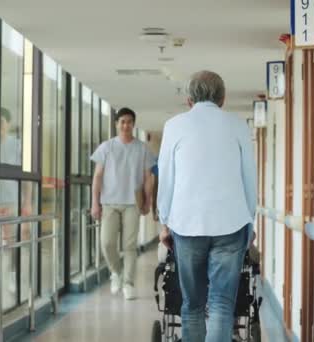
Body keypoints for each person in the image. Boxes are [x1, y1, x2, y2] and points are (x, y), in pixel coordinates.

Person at [157, 70, 257, 342]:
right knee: (223, 304)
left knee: (192, 306)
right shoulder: (237, 126)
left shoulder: (174, 126)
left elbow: (166, 177)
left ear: (189, 100)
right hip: (231, 224)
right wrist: (250, 220)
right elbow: (249, 176)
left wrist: (164, 221)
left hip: (186, 224)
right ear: (222, 99)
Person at [90, 107, 155, 300]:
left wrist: (148, 201)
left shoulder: (142, 148)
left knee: (129, 245)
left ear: (134, 125)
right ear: (117, 124)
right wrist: (95, 202)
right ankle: (116, 272)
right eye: (122, 121)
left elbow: (148, 177)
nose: (126, 125)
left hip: (132, 202)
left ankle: (128, 283)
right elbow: (98, 176)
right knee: (107, 242)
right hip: (109, 202)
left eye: (129, 121)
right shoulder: (106, 147)